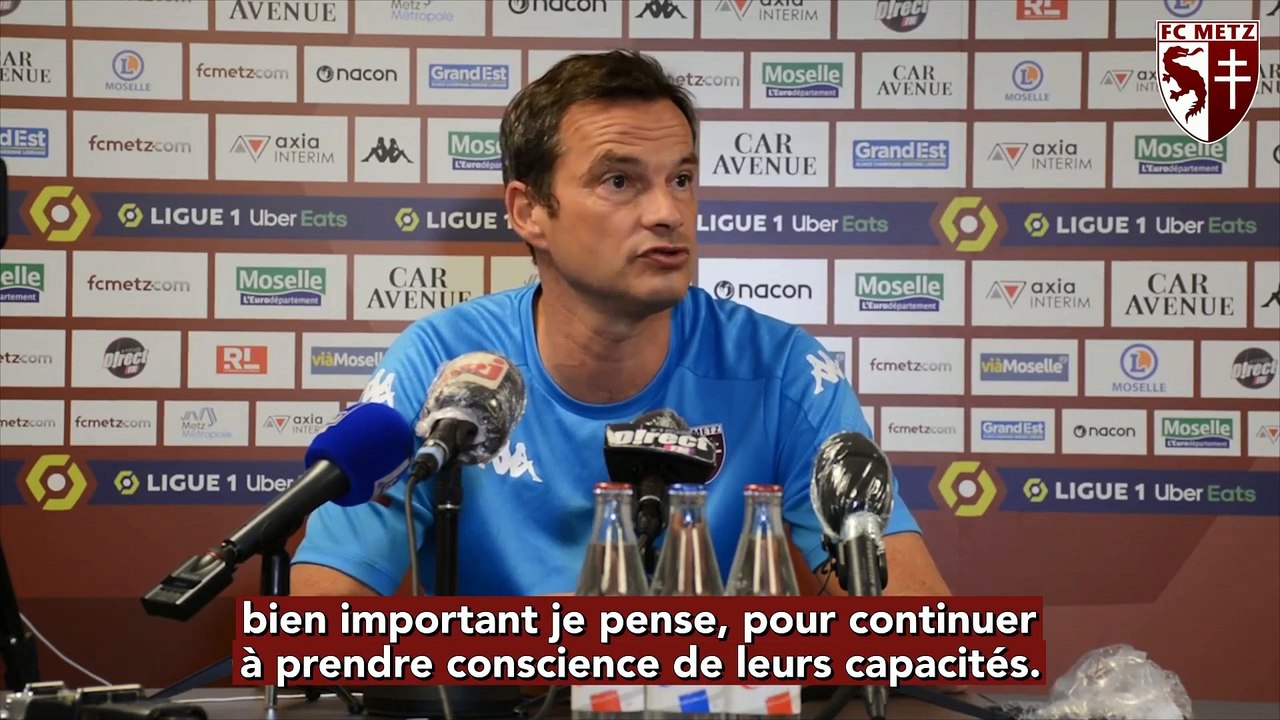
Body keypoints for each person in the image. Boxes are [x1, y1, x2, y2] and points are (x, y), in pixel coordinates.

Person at [291, 50, 950, 599]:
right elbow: (319, 624)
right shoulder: (446, 364)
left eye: (682, 178)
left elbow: (915, 635)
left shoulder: (780, 369)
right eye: (619, 181)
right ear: (528, 212)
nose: (669, 212)